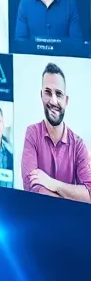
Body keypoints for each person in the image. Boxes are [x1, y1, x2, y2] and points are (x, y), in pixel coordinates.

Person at [20, 63, 91, 202]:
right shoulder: (32, 134)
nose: (53, 101)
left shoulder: (78, 145)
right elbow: (31, 188)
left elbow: (89, 195)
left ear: (66, 100)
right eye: (48, 92)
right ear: (41, 96)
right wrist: (71, 197)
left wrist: (52, 183)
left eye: (58, 94)